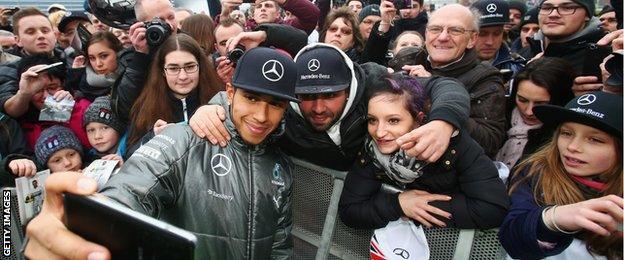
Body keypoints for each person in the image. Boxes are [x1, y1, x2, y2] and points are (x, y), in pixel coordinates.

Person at [25, 46, 298, 259]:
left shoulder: (281, 167)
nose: (261, 116)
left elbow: (279, 247)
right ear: (230, 92)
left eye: (275, 104)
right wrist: (85, 226)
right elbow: (131, 190)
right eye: (251, 98)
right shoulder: (183, 139)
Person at [191, 43, 470, 171]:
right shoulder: (281, 110)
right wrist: (210, 109)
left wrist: (443, 122)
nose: (318, 108)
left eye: (331, 94)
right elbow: (245, 102)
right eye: (307, 96)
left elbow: (442, 86)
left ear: (350, 88)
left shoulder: (374, 82)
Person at [339, 73, 509, 229]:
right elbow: (350, 210)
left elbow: (492, 208)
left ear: (418, 120)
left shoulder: (455, 146)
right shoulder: (371, 151)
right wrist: (398, 204)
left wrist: (421, 207)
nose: (379, 132)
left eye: (393, 121)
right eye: (372, 120)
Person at [499, 91, 623, 259]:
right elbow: (512, 239)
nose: (573, 147)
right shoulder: (535, 172)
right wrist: (551, 219)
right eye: (566, 133)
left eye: (595, 139)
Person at [403, 4, 506, 158]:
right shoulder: (408, 59)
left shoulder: (485, 79)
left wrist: (431, 95)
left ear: (472, 39)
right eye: (436, 29)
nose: (443, 37)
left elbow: (490, 142)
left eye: (455, 30)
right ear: (426, 33)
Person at [125, 34, 222, 156]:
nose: (183, 76)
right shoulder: (145, 106)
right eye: (173, 68)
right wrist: (153, 137)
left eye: (190, 66)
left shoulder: (218, 100)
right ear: (163, 71)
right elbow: (129, 155)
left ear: (200, 66)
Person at [496, 57, 575, 169]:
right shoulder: (497, 117)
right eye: (522, 100)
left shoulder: (564, 140)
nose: (529, 112)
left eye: (540, 104)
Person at [524, 0, 609, 96]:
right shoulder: (526, 52)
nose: (553, 14)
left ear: (587, 15)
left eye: (567, 8)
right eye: (547, 8)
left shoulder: (605, 56)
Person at [14, 54, 91, 150]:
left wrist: (70, 110)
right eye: (37, 91)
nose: (46, 96)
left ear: (63, 84)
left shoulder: (83, 108)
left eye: (53, 88)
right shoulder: (21, 125)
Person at [0, 8, 65, 118]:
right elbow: (10, 109)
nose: (40, 36)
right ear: (17, 40)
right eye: (30, 32)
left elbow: (60, 115)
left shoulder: (69, 58)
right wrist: (24, 94)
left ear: (54, 35)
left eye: (45, 31)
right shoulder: (8, 70)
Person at [472, 0, 525, 80]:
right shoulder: (454, 65)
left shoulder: (518, 66)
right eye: (482, 34)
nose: (490, 42)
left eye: (497, 34)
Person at [68, 31, 124, 101]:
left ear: (118, 53)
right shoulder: (80, 82)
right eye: (92, 58)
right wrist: (76, 74)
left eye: (104, 56)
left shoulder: (131, 77)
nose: (98, 64)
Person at [83, 96, 126, 163]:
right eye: (91, 130)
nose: (97, 136)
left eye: (104, 128)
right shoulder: (88, 158)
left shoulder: (133, 151)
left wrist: (126, 166)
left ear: (118, 129)